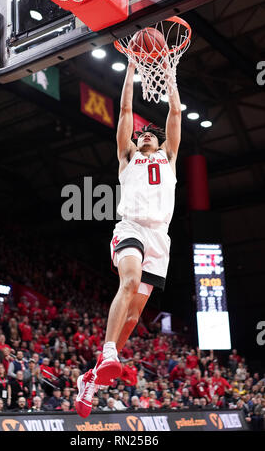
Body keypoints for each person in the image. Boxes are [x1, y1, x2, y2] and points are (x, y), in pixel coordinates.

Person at [75, 59, 181, 418]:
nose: (148, 134)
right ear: (137, 140)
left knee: (135, 316)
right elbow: (124, 109)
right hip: (131, 227)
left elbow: (176, 115)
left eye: (154, 133)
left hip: (159, 237)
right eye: (143, 133)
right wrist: (132, 68)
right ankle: (108, 351)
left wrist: (170, 79)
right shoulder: (128, 158)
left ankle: (90, 376)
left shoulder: (169, 157)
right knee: (130, 280)